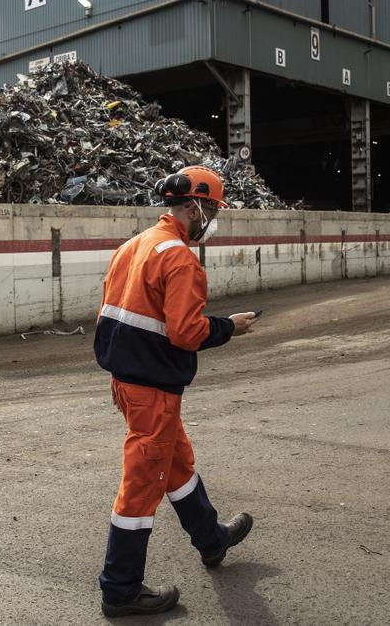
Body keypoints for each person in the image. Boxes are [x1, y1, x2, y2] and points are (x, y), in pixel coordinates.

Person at [94, 165, 259, 617]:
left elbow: (112, 313)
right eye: (212, 210)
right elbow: (186, 332)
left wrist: (122, 372)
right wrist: (230, 328)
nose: (212, 219)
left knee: (177, 462)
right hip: (153, 388)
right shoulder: (180, 257)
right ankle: (120, 589)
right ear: (195, 207)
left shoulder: (135, 245)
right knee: (141, 486)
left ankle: (211, 539)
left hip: (129, 381)